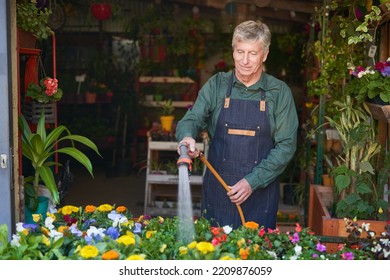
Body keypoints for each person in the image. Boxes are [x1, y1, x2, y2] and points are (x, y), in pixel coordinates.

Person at [175, 20, 298, 230]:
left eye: (253, 53)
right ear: (233, 51)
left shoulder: (279, 92)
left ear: (265, 54)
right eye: (240, 52)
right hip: (218, 192)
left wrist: (252, 182)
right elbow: (192, 118)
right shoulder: (217, 84)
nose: (245, 60)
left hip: (260, 193)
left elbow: (286, 145)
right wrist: (187, 136)